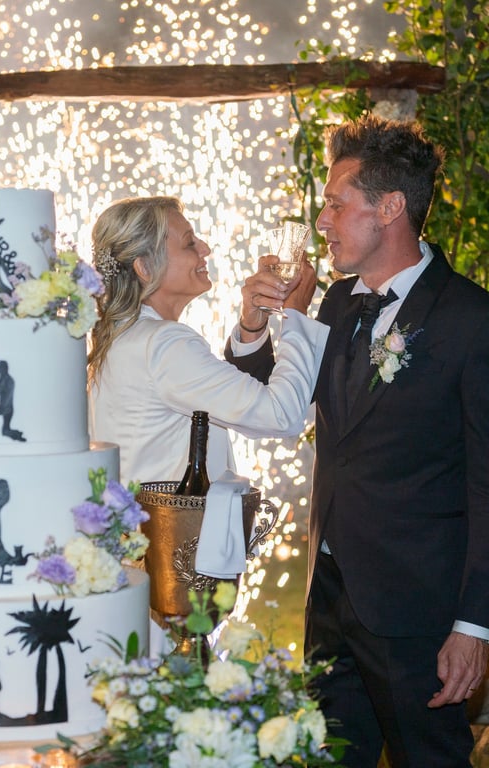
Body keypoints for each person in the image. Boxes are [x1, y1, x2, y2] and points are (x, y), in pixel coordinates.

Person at [228, 115, 489, 766]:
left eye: (336, 205)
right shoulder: (337, 304)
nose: (322, 222)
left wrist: (474, 625)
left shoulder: (471, 320)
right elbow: (264, 405)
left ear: (390, 207)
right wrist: (255, 327)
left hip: (419, 614)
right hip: (329, 596)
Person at [87, 195, 329, 485]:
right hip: (172, 516)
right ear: (145, 268)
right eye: (189, 243)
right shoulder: (164, 344)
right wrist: (296, 313)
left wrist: (252, 325)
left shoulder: (123, 337)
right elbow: (281, 414)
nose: (205, 249)